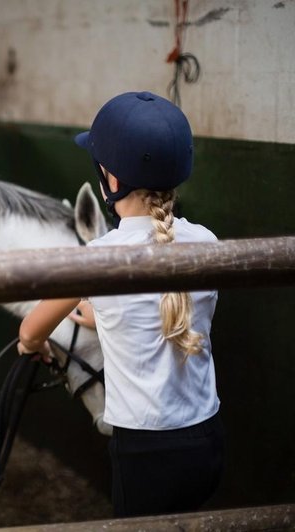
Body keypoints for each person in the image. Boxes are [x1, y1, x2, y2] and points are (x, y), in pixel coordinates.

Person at [18, 91, 224, 517]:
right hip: (206, 439)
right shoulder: (207, 243)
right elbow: (166, 308)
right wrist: (103, 316)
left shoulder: (98, 259)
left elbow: (30, 330)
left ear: (110, 181)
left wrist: (32, 345)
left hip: (144, 452)